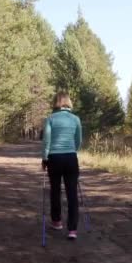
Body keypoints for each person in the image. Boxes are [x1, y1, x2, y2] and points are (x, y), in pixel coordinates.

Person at [42, 92, 82, 240]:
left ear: (56, 102)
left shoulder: (51, 118)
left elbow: (47, 141)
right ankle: (72, 230)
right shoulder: (75, 119)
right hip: (71, 158)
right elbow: (78, 140)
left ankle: (57, 222)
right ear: (69, 102)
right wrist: (72, 151)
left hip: (54, 158)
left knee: (55, 191)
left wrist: (45, 159)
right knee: (72, 194)